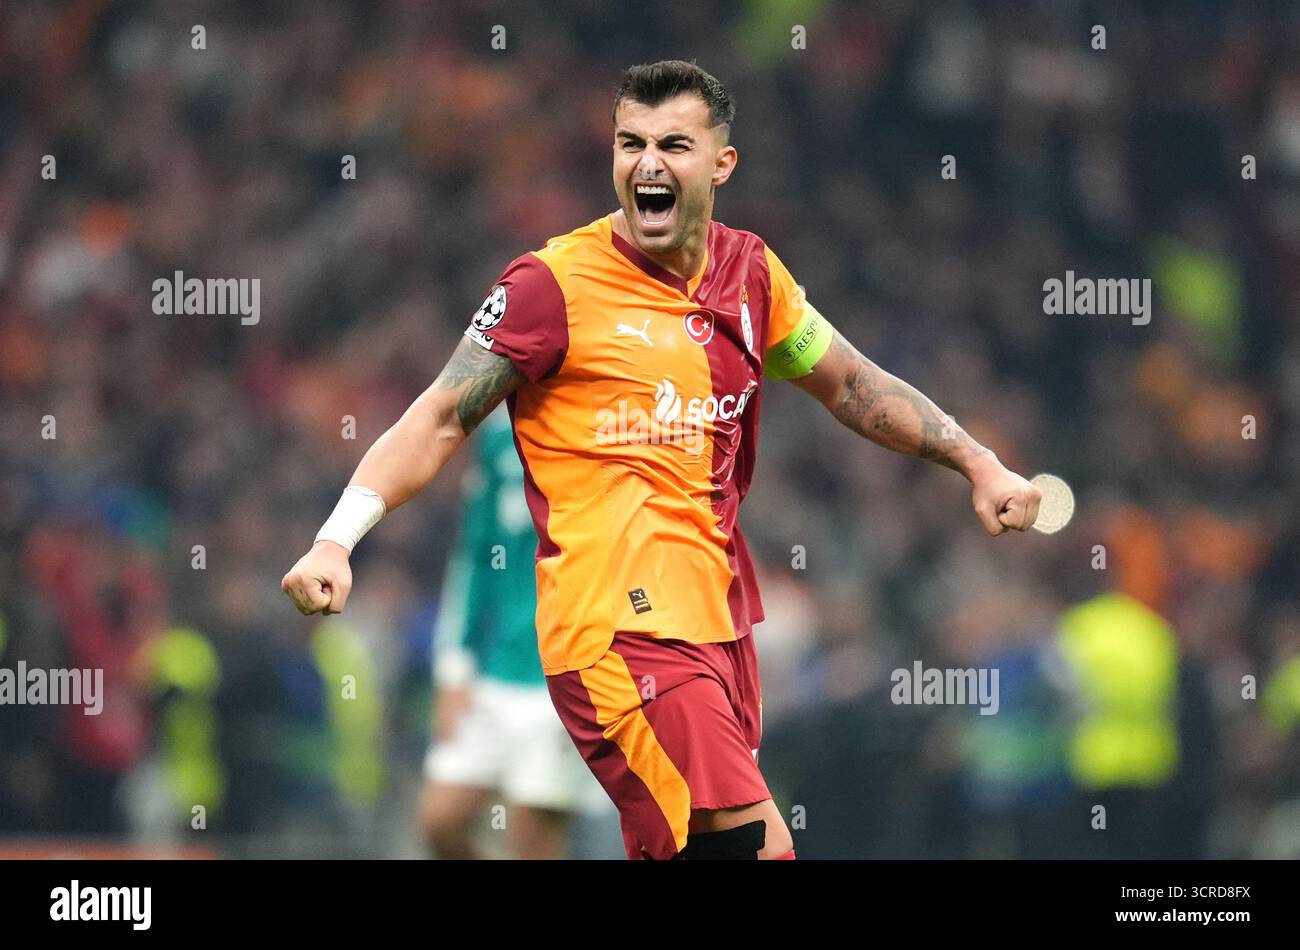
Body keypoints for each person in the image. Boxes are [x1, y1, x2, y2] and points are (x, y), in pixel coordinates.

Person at [283, 60, 1042, 860]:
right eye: (629, 143)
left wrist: (977, 460)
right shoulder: (552, 285)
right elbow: (439, 414)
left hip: (716, 626)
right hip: (618, 633)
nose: (647, 163)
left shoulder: (752, 274)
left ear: (722, 163)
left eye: (674, 144)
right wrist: (338, 536)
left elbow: (850, 383)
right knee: (755, 847)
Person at [419, 407, 600, 859]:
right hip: (495, 671)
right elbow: (473, 560)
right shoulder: (499, 438)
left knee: (533, 839)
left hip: (565, 674)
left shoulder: (602, 427)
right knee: (440, 821)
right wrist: (454, 671)